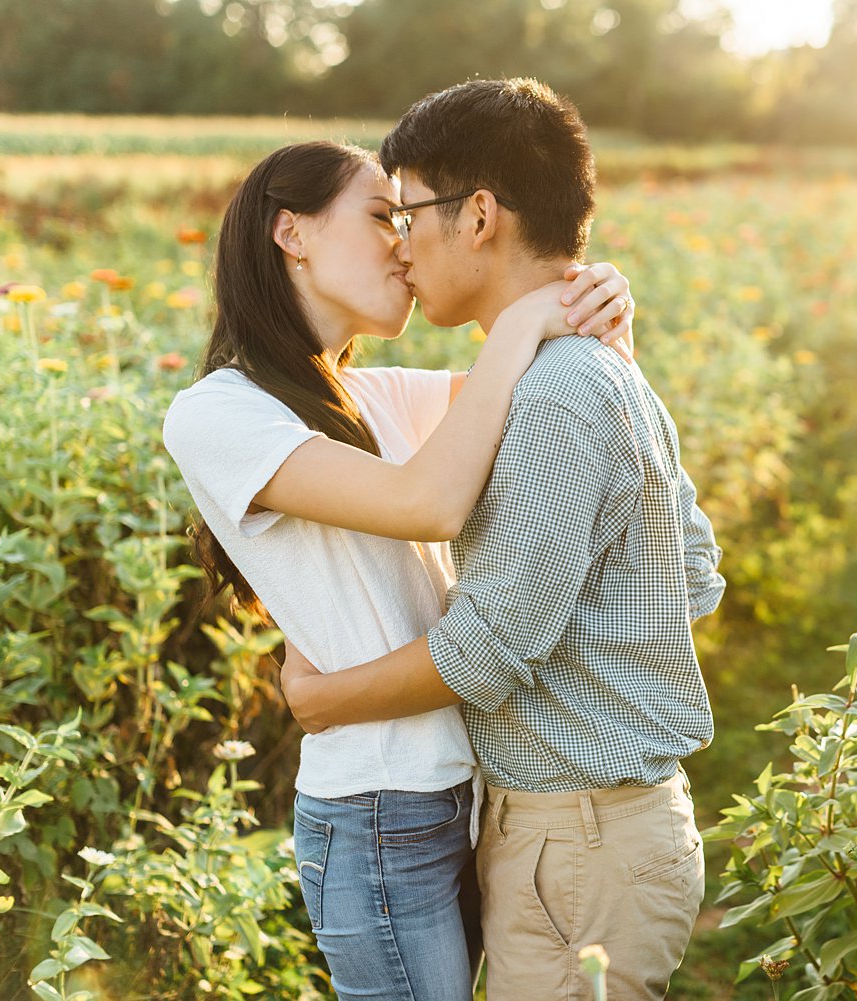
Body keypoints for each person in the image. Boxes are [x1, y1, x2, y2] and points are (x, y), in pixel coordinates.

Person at [161, 138, 638, 1001]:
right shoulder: (216, 413)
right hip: (378, 808)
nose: (403, 242)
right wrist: (529, 316)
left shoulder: (371, 395)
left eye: (407, 218)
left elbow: (555, 401)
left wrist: (600, 309)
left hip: (462, 791)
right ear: (291, 233)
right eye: (381, 217)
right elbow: (430, 502)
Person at [279, 79, 724, 1000]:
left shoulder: (558, 396)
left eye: (406, 216)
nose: (400, 248)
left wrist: (323, 698)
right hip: (598, 829)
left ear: (478, 215)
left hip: (578, 839)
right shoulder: (598, 370)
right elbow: (697, 575)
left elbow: (489, 648)